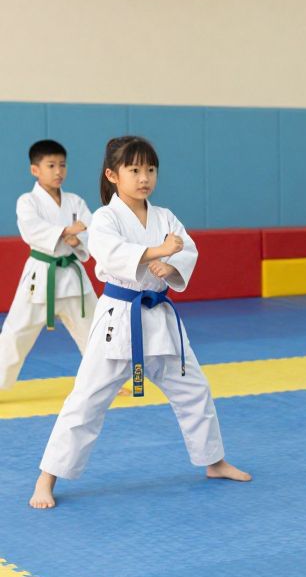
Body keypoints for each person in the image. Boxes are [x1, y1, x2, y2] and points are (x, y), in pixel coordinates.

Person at [29, 136, 250, 509]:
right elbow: (110, 254)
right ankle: (46, 478)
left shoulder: (165, 216)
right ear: (113, 175)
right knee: (86, 401)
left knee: (195, 390)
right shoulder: (105, 217)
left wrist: (171, 265)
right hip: (118, 319)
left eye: (150, 169)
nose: (144, 177)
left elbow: (186, 248)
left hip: (160, 318)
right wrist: (157, 252)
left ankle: (214, 461)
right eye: (134, 170)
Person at [0, 140, 95, 390]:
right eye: (51, 165)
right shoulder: (27, 201)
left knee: (95, 332)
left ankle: (104, 383)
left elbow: (90, 227)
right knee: (15, 334)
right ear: (35, 170)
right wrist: (67, 231)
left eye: (62, 165)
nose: (58, 171)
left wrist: (78, 239)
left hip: (74, 278)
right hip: (40, 278)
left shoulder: (75, 201)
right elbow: (32, 231)